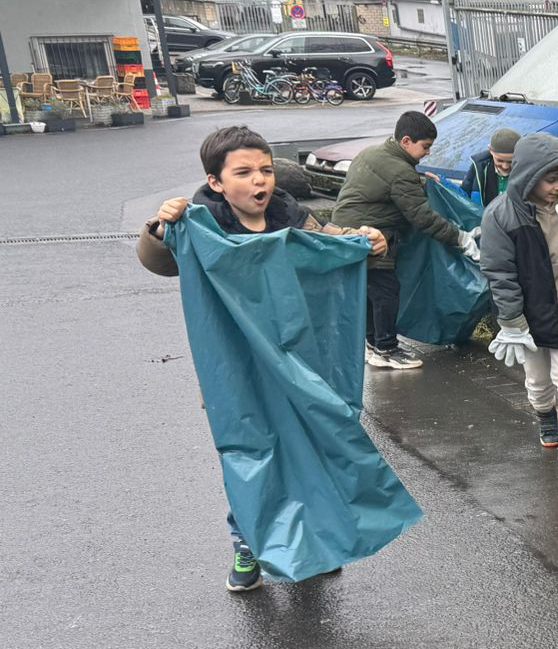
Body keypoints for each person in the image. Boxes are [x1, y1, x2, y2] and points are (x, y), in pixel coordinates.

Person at [135, 124, 388, 591]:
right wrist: (158, 228)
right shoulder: (199, 221)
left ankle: (314, 541)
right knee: (253, 453)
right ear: (216, 181)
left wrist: (367, 241)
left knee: (306, 451)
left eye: (266, 170)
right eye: (245, 172)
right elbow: (160, 261)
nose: (260, 181)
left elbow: (332, 244)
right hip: (236, 368)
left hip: (297, 361)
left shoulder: (290, 215)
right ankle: (248, 544)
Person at [481, 133, 558, 469]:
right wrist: (511, 322)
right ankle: (546, 414)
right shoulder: (501, 216)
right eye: (550, 180)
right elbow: (499, 271)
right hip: (527, 313)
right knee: (537, 378)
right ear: (529, 176)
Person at [332, 109, 475, 371]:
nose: (428, 153)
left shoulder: (373, 153)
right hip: (373, 236)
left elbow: (387, 184)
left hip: (346, 231)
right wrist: (461, 238)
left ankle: (374, 344)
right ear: (406, 141)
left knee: (371, 290)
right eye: (426, 147)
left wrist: (419, 181)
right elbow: (423, 219)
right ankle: (387, 348)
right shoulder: (400, 171)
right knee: (386, 291)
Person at [460, 127, 519, 207]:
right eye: (500, 160)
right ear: (490, 150)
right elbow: (463, 195)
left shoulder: (528, 171)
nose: (505, 166)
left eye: (511, 161)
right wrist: (440, 181)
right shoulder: (478, 167)